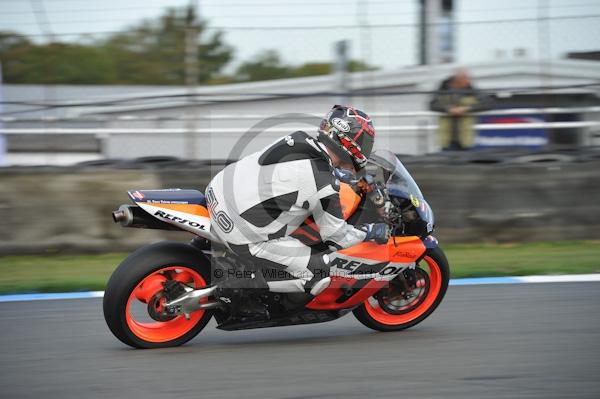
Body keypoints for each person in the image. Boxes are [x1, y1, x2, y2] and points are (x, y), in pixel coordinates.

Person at [206, 105, 390, 301]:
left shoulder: (298, 138)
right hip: (240, 231)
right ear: (352, 142)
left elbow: (297, 175)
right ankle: (242, 287)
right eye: (365, 141)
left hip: (216, 193)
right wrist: (370, 231)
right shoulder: (324, 182)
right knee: (322, 271)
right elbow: (336, 237)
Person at [429, 68, 493, 150]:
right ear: (457, 80)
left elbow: (488, 103)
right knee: (446, 161)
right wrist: (449, 110)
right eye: (465, 78)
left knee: (466, 161)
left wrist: (467, 108)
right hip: (447, 139)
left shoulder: (471, 89)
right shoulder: (443, 88)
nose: (468, 81)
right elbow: (432, 105)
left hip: (465, 138)